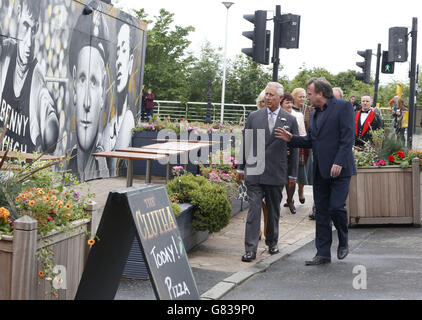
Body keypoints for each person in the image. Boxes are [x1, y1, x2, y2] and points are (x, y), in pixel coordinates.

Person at [275, 77, 356, 266]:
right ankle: (323, 253)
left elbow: (347, 138)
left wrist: (339, 162)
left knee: (336, 207)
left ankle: (343, 239)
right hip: (320, 171)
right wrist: (292, 138)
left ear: (320, 93)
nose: (307, 97)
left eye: (309, 93)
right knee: (321, 212)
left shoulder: (343, 107)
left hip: (340, 170)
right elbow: (312, 140)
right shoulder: (315, 113)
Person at [237, 82, 299, 262]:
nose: (268, 98)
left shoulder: (290, 120)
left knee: (273, 211)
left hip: (276, 172)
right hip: (255, 171)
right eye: (267, 94)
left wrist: (292, 174)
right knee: (254, 211)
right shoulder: (254, 116)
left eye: (272, 95)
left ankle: (272, 242)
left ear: (280, 98)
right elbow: (246, 142)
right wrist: (241, 167)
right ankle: (250, 249)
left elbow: (294, 150)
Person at [0, 0, 59, 154]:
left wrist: (49, 119)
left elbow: (45, 102)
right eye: (25, 26)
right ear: (18, 12)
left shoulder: (36, 77)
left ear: (37, 28)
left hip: (22, 173)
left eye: (33, 29)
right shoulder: (6, 54)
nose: (28, 41)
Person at [68, 1, 109, 181]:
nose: (86, 103)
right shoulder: (67, 163)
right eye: (83, 80)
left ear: (103, 93)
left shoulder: (105, 166)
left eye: (94, 82)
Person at [104, 21, 135, 171]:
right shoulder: (108, 125)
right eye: (117, 53)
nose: (119, 62)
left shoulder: (128, 120)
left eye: (123, 51)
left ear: (130, 62)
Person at [280, 93, 305, 215]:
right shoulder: (277, 117)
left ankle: (290, 200)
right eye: (287, 103)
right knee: (280, 180)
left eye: (291, 102)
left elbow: (301, 134)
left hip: (293, 151)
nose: (290, 105)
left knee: (292, 178)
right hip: (278, 154)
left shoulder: (295, 117)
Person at [291, 87, 315, 219]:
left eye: (304, 96)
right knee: (290, 172)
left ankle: (300, 191)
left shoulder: (308, 110)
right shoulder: (288, 108)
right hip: (291, 143)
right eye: (300, 96)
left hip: (304, 144)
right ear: (294, 97)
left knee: (301, 171)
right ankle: (290, 197)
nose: (302, 99)